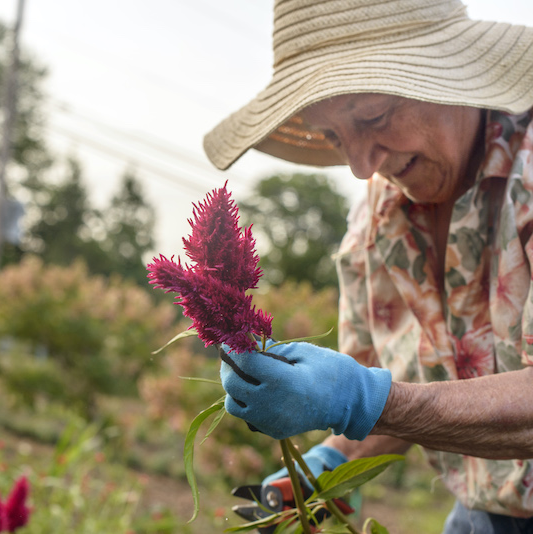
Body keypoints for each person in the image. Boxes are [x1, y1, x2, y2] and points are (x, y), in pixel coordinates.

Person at [204, 0, 533, 531]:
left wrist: (361, 399)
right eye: (335, 137)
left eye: (374, 116)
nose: (361, 166)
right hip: (482, 513)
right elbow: (408, 393)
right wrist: (332, 464)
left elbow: (377, 399)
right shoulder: (376, 225)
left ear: (450, 72)